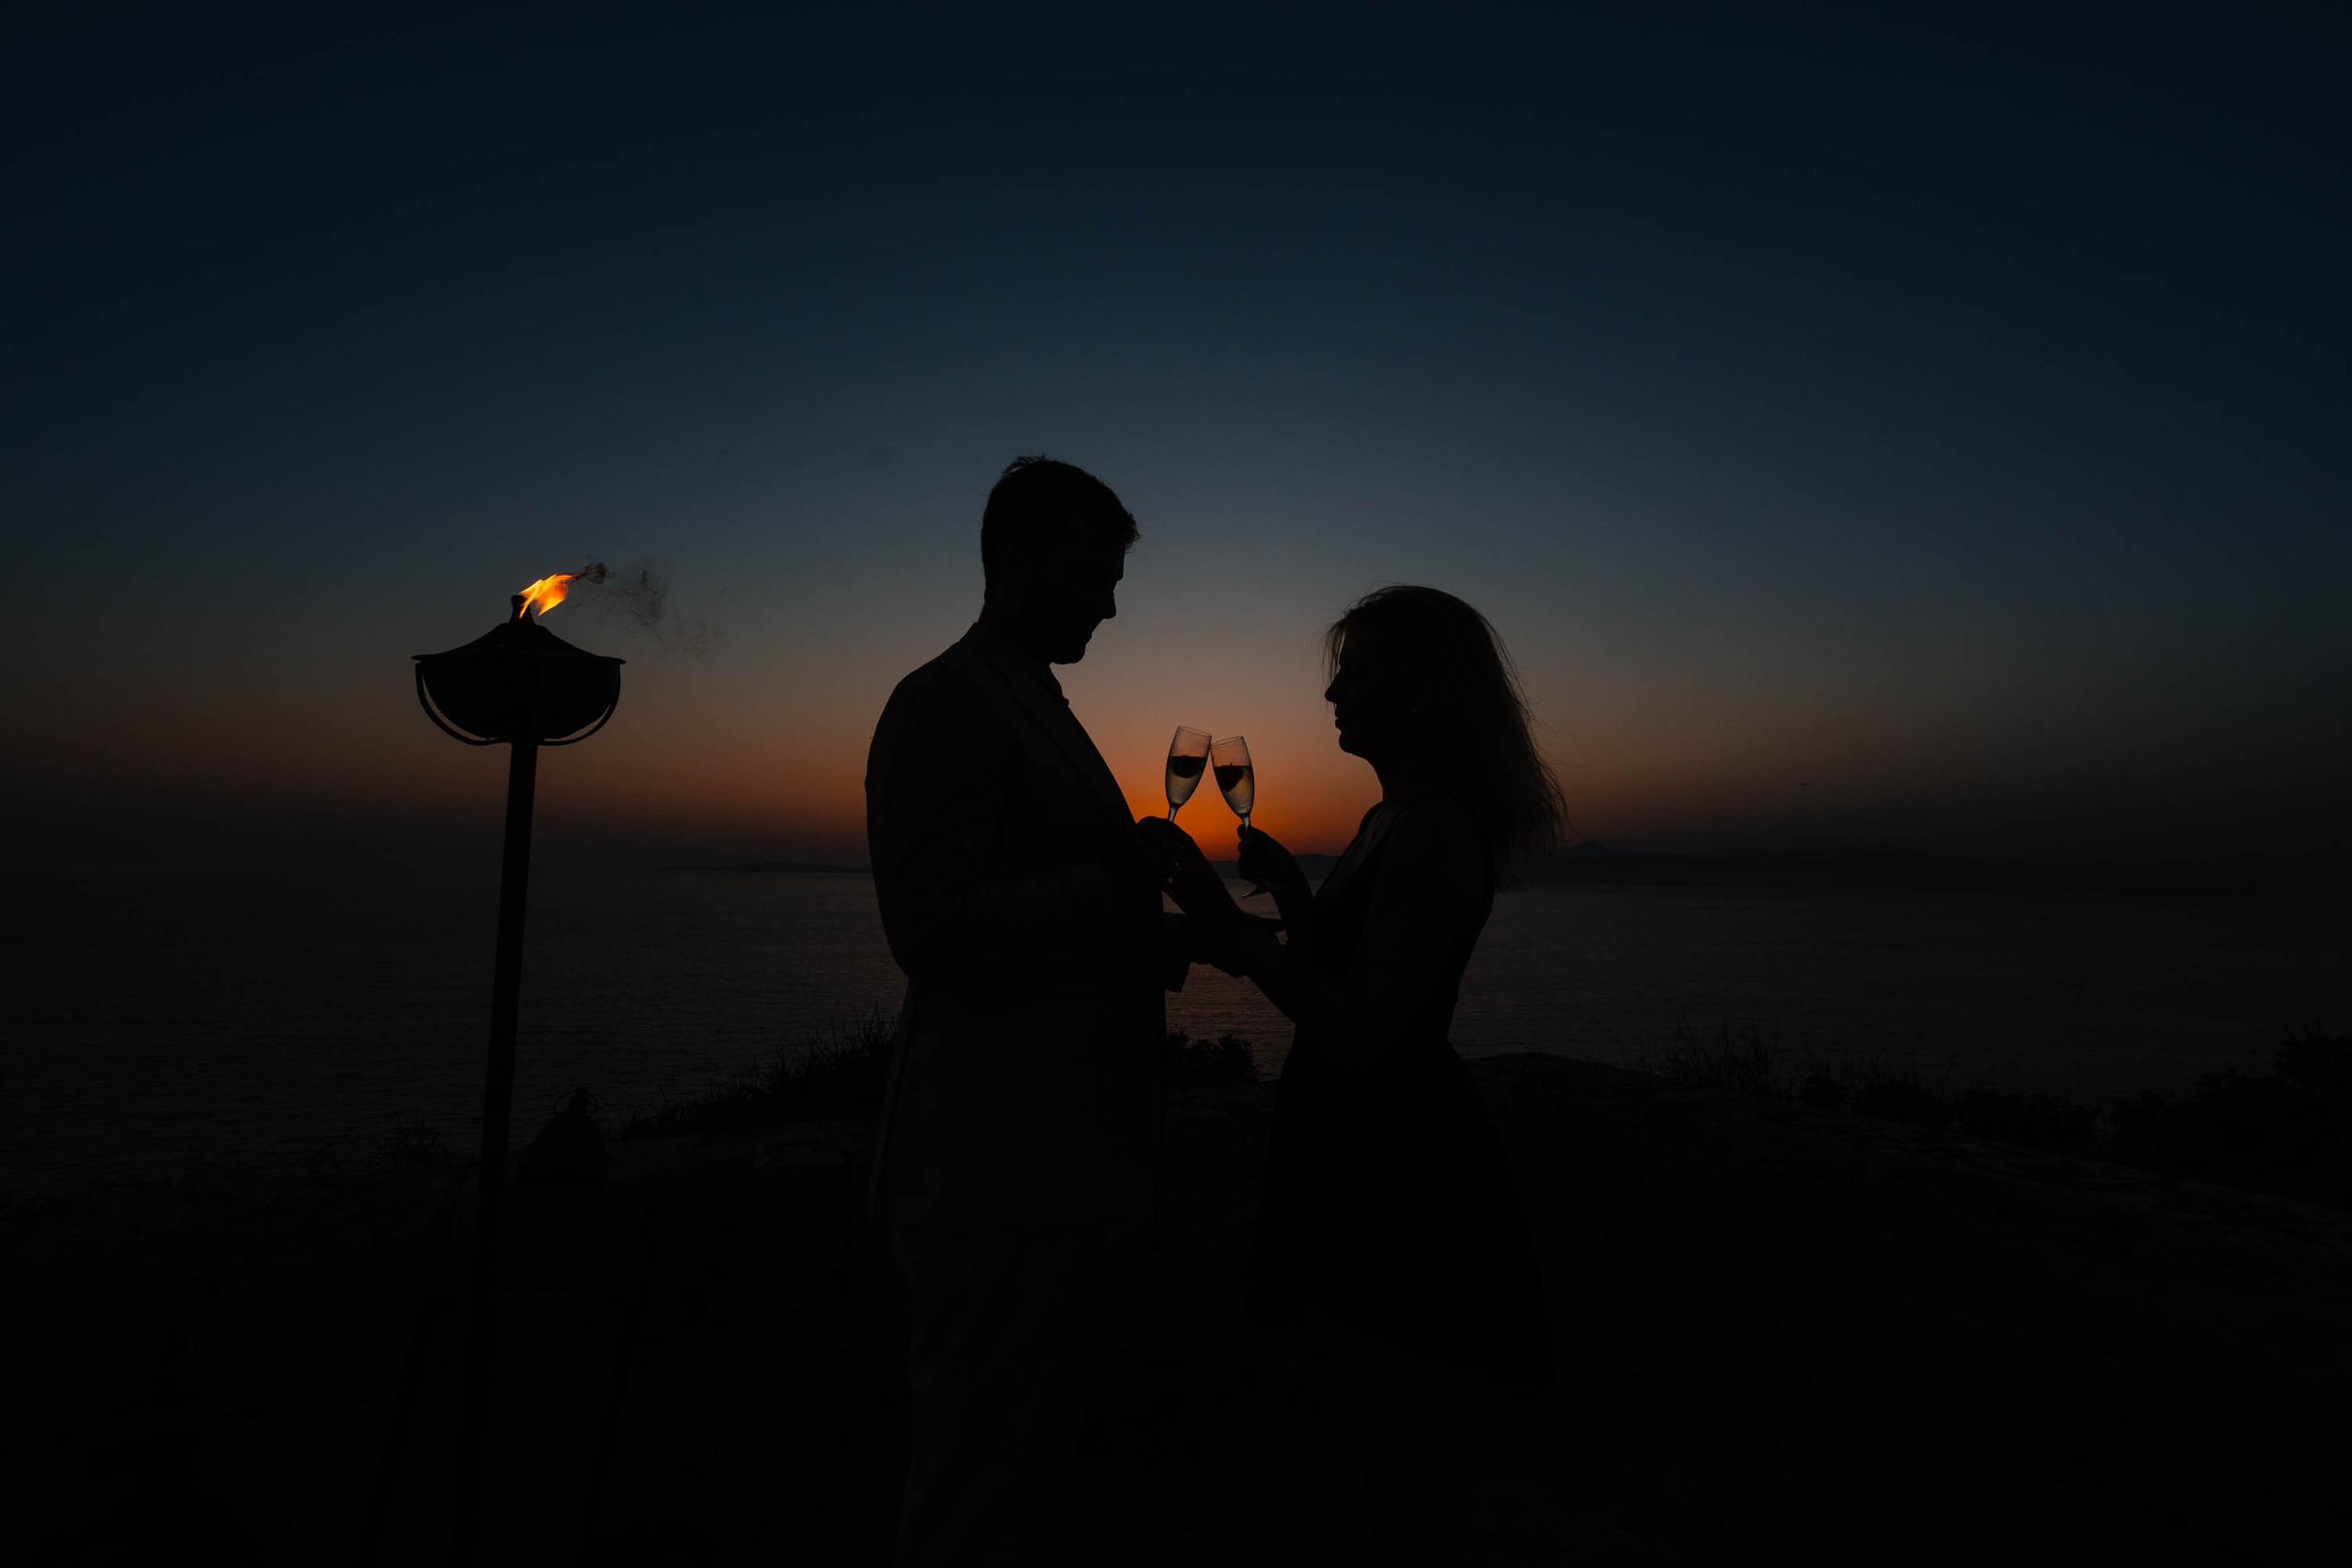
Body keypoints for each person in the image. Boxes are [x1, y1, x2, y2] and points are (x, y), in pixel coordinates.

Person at [1140, 584, 1560, 1567]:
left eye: (1356, 671)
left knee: (1410, 1437)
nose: (1331, 693)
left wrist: (1227, 923)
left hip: (1400, 1153)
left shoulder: (1432, 829)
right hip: (1356, 1138)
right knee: (1374, 1415)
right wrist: (1293, 896)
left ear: (1419, 692)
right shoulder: (1387, 817)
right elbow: (1356, 965)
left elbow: (1366, 1027)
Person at [864, 456, 1193, 1567]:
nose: (1110, 599)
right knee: (972, 1492)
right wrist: (1108, 886)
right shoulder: (946, 701)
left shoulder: (1032, 699)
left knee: (1023, 1479)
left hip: (1051, 1175)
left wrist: (1176, 932)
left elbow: (1064, 916)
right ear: (1015, 562)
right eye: (1089, 571)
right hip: (992, 1181)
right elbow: (934, 929)